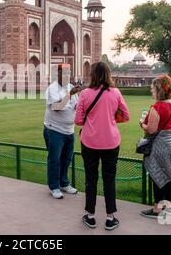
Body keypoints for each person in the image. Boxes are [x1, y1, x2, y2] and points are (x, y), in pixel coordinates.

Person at [75, 62, 130, 231]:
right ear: (108, 74)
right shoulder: (115, 93)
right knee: (109, 179)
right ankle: (110, 217)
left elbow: (77, 121)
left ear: (93, 75)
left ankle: (90, 216)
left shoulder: (85, 94)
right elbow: (126, 116)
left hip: (90, 142)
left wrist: (91, 121)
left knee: (91, 179)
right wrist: (111, 120)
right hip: (111, 142)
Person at [139, 75, 171, 218]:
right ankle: (168, 207)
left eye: (152, 88)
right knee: (169, 176)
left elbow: (151, 130)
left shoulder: (157, 107)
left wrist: (142, 123)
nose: (151, 91)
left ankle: (158, 209)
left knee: (158, 176)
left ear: (158, 89)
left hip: (159, 145)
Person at [44, 64, 80, 199]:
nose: (67, 76)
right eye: (64, 73)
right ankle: (54, 186)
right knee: (55, 159)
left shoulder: (70, 88)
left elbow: (76, 106)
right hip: (54, 130)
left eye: (68, 73)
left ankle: (64, 183)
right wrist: (69, 95)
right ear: (57, 74)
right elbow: (57, 107)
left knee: (66, 159)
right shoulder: (52, 89)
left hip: (69, 130)